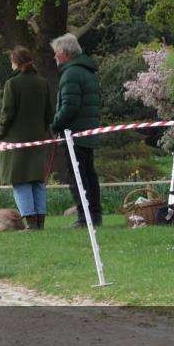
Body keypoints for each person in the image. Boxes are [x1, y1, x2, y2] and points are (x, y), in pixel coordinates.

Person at [0, 46, 52, 230]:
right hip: (38, 138)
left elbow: (7, 113)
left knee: (20, 180)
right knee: (37, 180)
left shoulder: (12, 84)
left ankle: (30, 223)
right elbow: (49, 114)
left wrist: (0, 134)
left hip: (16, 140)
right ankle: (40, 222)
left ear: (16, 63)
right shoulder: (42, 83)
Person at [50, 34, 102, 228]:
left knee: (78, 177)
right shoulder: (88, 72)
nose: (54, 57)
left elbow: (69, 107)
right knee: (89, 175)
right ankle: (94, 215)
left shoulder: (70, 74)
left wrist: (55, 125)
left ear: (64, 53)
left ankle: (84, 217)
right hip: (87, 132)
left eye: (56, 53)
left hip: (74, 134)